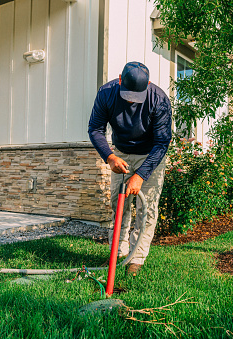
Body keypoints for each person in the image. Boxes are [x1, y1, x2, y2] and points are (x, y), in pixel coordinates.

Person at [88, 61, 172, 276]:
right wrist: (110, 157)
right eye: (128, 95)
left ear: (149, 84)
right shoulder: (106, 93)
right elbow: (95, 128)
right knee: (120, 205)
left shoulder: (159, 99)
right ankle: (118, 253)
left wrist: (141, 175)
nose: (132, 101)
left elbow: (162, 142)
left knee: (147, 209)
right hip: (121, 154)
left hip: (150, 154)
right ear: (119, 80)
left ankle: (136, 259)